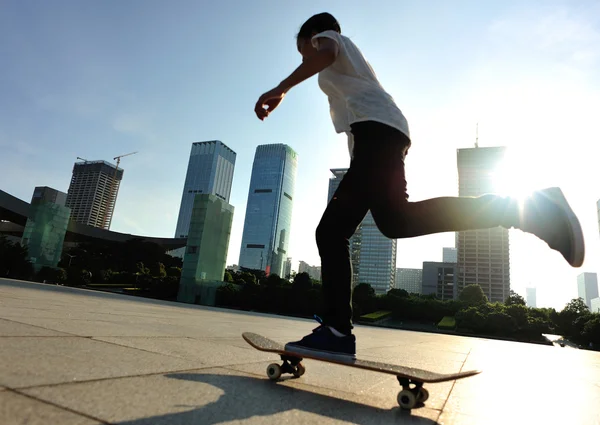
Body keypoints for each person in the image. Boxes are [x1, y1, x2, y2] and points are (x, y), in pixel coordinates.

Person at [254, 12, 585, 359]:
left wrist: (281, 88)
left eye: (302, 51)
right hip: (382, 135)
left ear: (313, 36)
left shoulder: (331, 42)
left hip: (378, 134)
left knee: (331, 233)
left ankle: (336, 331)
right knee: (396, 222)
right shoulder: (349, 71)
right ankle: (535, 211)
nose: (305, 59)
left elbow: (325, 54)